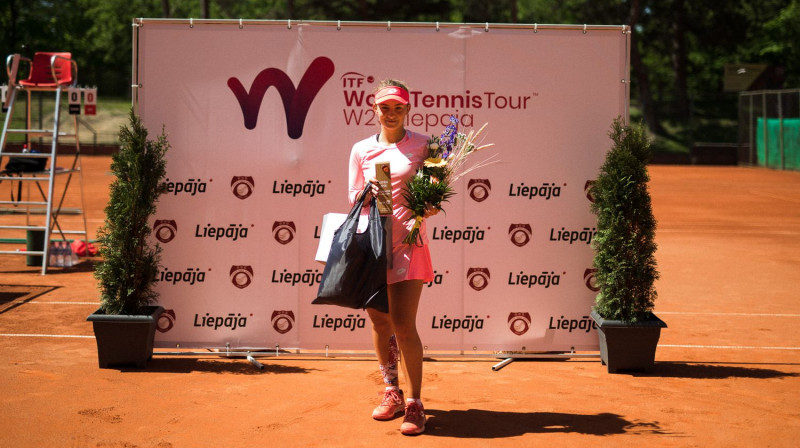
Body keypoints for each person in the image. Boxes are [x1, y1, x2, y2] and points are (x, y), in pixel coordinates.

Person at [347, 80, 438, 436]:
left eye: (398, 107)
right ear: (374, 108)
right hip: (373, 245)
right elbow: (352, 193)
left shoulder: (422, 145)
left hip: (410, 243)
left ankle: (415, 404)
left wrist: (430, 204)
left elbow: (432, 190)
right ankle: (392, 392)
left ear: (407, 110)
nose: (391, 113)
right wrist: (367, 195)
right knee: (380, 324)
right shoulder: (360, 150)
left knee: (403, 324)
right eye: (385, 107)